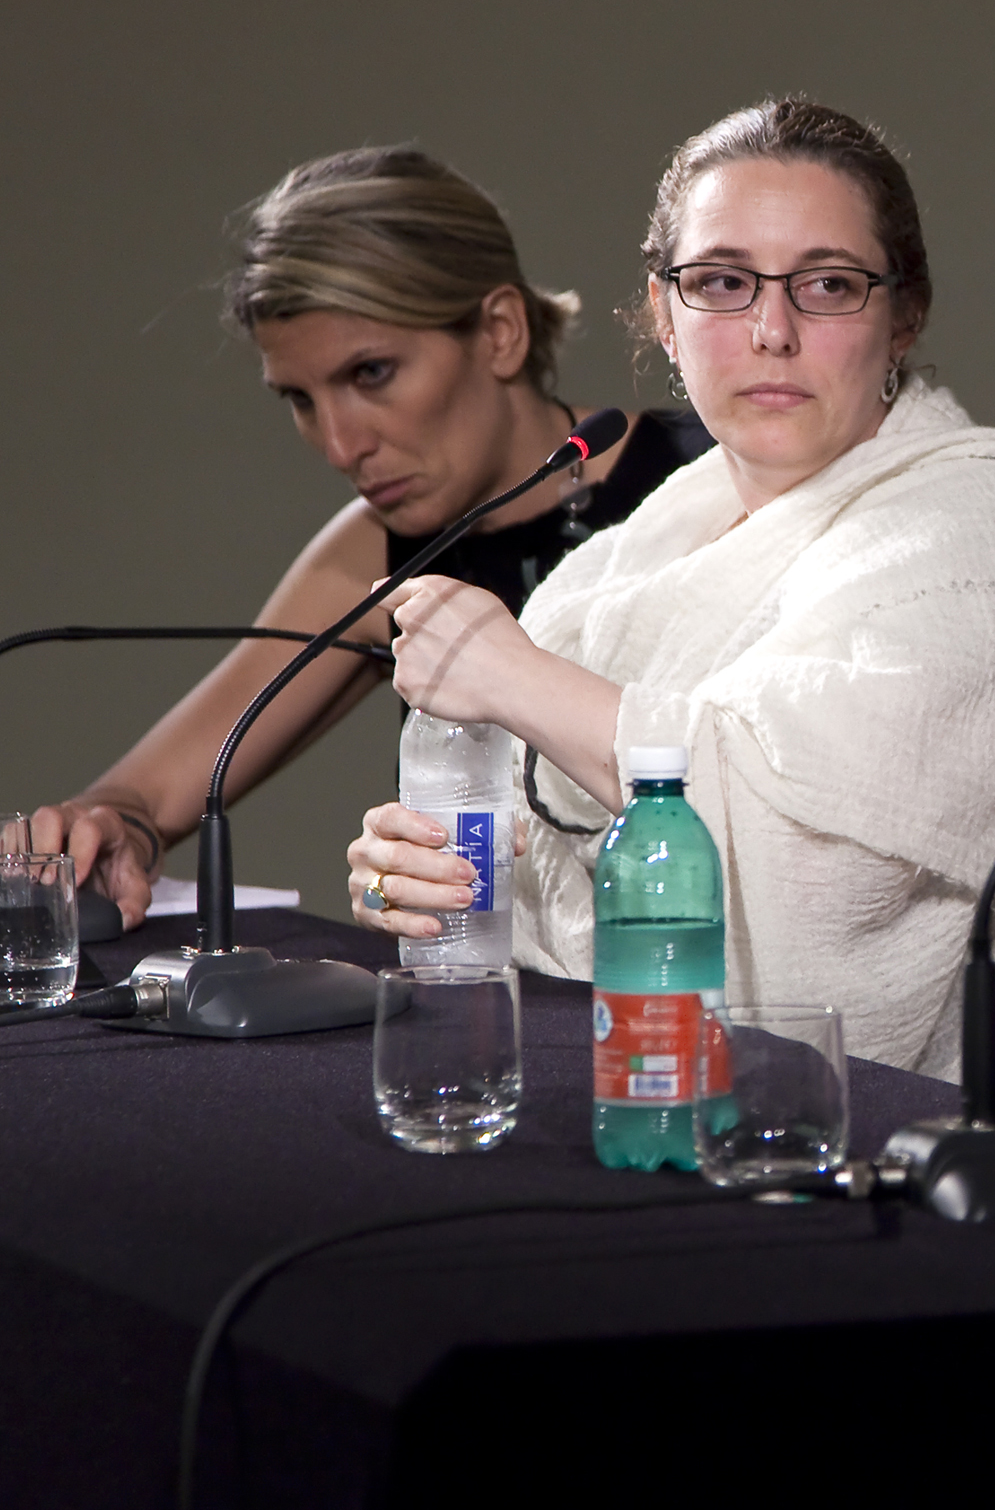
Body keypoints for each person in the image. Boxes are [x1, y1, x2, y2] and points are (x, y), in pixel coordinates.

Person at [345, 97, 995, 1148]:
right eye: (722, 283)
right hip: (718, 1132)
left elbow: (815, 887)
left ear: (902, 315)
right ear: (661, 311)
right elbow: (575, 843)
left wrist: (513, 676)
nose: (771, 332)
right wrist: (443, 871)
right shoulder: (639, 555)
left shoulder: (994, 542)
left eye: (827, 285)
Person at [29, 148, 708, 929]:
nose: (340, 445)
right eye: (299, 398)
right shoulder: (373, 553)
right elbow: (143, 798)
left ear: (499, 332)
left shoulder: (714, 480)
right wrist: (103, 829)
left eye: (372, 374)